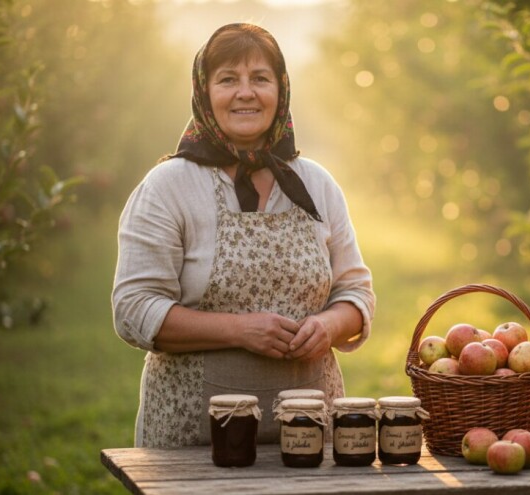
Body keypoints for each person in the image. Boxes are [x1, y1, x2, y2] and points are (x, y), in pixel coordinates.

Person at [111, 23, 375, 448]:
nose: (246, 93)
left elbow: (356, 293)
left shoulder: (316, 184)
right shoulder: (168, 187)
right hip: (194, 441)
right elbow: (134, 308)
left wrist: (329, 325)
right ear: (204, 91)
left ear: (281, 90)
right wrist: (240, 330)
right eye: (228, 79)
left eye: (260, 79)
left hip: (309, 440)